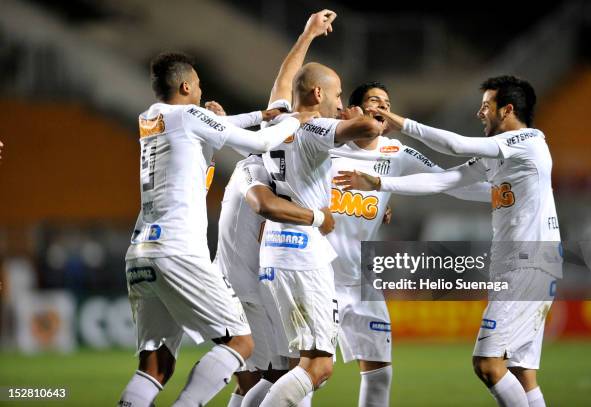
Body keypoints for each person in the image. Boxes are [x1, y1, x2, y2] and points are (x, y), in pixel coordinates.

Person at [334, 75, 560, 407]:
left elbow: (455, 147)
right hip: (521, 262)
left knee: (488, 364)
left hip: (528, 263)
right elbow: (444, 180)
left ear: (507, 110)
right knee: (522, 372)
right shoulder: (497, 157)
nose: (479, 113)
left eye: (486, 106)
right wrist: (382, 186)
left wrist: (399, 124)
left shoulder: (527, 140)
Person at [118, 51, 318, 407]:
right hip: (178, 250)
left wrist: (260, 115)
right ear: (184, 86)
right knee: (240, 342)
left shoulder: (150, 118)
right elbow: (260, 143)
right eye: (196, 85)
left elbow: (204, 130)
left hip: (141, 253)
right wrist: (295, 121)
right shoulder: (188, 115)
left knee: (155, 364)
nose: (200, 91)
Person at [327, 81, 490, 407]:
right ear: (356, 109)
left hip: (362, 282)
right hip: (318, 275)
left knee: (379, 374)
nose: (382, 109)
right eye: (375, 101)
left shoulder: (395, 151)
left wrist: (503, 193)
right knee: (311, 372)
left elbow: (446, 181)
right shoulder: (325, 144)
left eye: (387, 103)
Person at [251, 23, 388, 407]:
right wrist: (357, 114)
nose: (339, 101)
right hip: (303, 254)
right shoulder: (315, 129)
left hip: (275, 254)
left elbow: (283, 79)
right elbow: (368, 125)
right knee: (319, 367)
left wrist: (308, 35)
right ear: (317, 94)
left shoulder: (275, 119)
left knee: (298, 362)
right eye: (338, 95)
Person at [212, 11, 338, 407]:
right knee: (293, 370)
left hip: (250, 279)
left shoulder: (268, 143)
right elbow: (264, 204)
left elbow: (285, 82)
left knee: (260, 377)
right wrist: (319, 218)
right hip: (242, 286)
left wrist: (308, 34)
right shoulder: (255, 164)